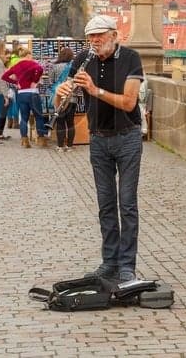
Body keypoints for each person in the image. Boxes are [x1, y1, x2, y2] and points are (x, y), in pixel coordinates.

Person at [55, 15, 144, 283]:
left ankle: (127, 264)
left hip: (127, 137)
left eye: (100, 36)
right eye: (91, 36)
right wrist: (62, 93)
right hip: (98, 139)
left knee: (126, 204)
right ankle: (110, 262)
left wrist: (95, 90)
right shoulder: (83, 59)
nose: (95, 41)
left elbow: (129, 103)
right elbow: (66, 98)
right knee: (106, 205)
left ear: (113, 35)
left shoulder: (130, 58)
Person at [1, 48, 48, 148]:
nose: (32, 57)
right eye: (31, 55)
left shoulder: (16, 65)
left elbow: (4, 76)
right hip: (33, 93)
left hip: (21, 93)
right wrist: (35, 81)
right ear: (27, 55)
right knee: (38, 116)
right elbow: (40, 69)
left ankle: (24, 140)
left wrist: (16, 83)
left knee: (24, 118)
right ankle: (41, 139)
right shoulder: (32, 63)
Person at [49, 47, 76, 151]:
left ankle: (60, 146)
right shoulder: (74, 67)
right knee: (70, 123)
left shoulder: (54, 67)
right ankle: (69, 146)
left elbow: (51, 82)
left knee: (60, 122)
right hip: (72, 98)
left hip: (59, 98)